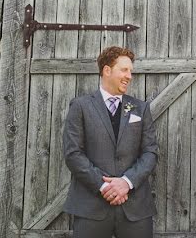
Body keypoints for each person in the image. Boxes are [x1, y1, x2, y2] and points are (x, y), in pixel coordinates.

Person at [63, 45, 159, 238]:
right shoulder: (80, 106)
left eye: (131, 71)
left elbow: (150, 152)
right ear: (107, 70)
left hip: (135, 209)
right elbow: (73, 154)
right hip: (91, 207)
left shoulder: (140, 108)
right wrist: (104, 186)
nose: (129, 76)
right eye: (124, 70)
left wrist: (126, 182)